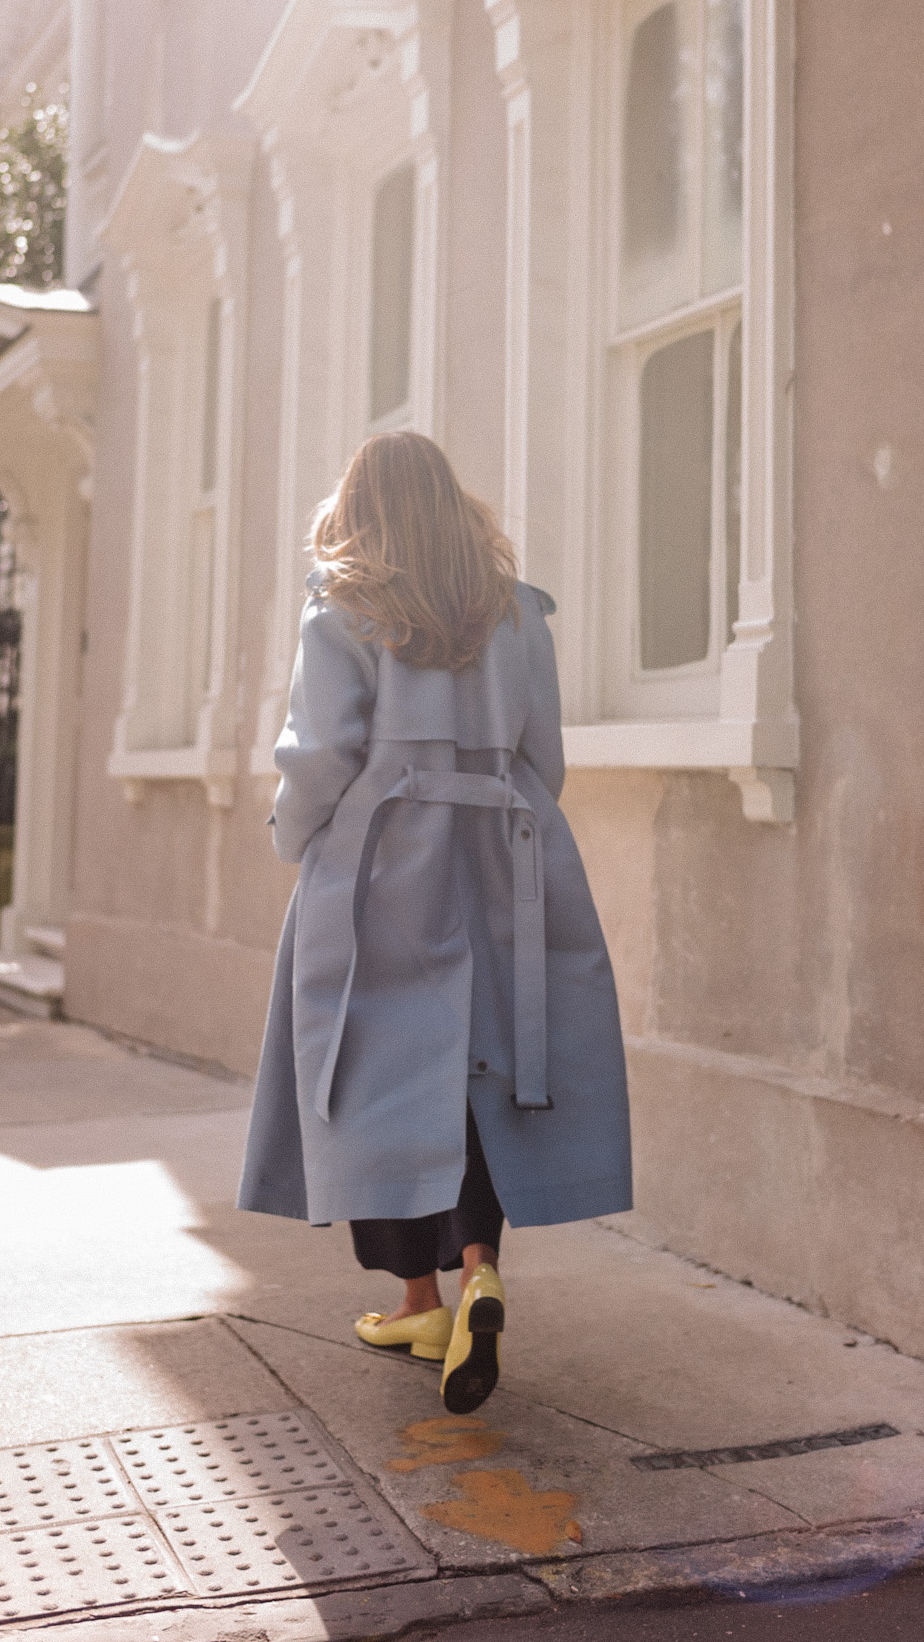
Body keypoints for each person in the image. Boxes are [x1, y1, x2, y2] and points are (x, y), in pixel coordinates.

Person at [238, 431, 631, 1413]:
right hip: (503, 855)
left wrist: (294, 837)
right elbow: (545, 758)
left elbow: (319, 753)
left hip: (383, 863)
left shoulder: (342, 609)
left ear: (360, 507)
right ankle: (476, 1271)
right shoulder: (517, 614)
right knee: (486, 1061)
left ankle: (419, 1298)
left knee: (380, 1075)